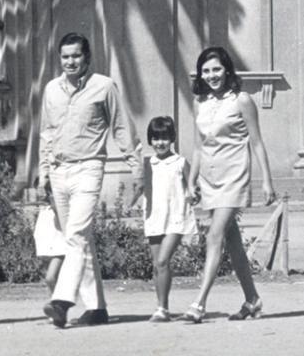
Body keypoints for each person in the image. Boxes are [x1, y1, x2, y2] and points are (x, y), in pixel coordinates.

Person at [38, 32, 139, 329]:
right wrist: (43, 170)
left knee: (77, 236)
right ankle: (97, 308)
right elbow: (47, 132)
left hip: (89, 168)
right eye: (65, 56)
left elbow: (122, 127)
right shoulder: (51, 90)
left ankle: (62, 300)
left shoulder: (104, 86)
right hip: (59, 171)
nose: (70, 61)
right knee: (81, 240)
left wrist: (137, 170)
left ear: (88, 58)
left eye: (76, 56)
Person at [184, 46, 276, 323]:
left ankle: (198, 304)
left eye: (216, 69)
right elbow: (198, 146)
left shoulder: (242, 100)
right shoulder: (200, 102)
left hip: (234, 175)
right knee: (232, 241)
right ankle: (252, 299)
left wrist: (267, 181)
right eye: (206, 70)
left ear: (227, 70)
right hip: (209, 177)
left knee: (214, 235)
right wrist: (191, 181)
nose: (212, 75)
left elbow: (257, 142)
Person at [131, 115, 197, 323]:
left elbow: (194, 188)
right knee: (158, 265)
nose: (160, 142)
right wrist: (130, 203)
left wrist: (194, 194)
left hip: (176, 217)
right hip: (154, 217)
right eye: (156, 138)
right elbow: (140, 189)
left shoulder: (180, 162)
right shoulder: (147, 164)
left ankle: (161, 308)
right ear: (150, 140)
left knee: (163, 260)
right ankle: (163, 308)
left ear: (172, 139)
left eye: (165, 138)